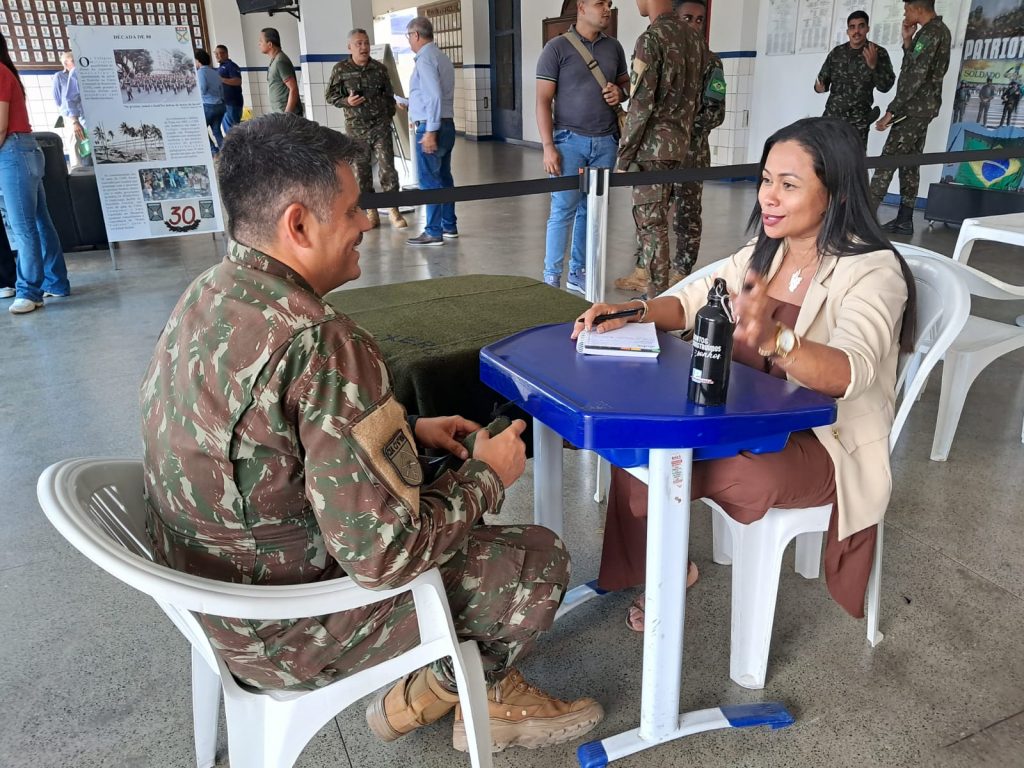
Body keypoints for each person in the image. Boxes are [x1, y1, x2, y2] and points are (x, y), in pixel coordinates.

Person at [140, 112, 603, 754]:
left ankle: (445, 688)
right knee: (537, 560)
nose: (366, 223)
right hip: (287, 628)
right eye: (354, 208)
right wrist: (487, 477)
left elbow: (272, 445)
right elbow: (386, 557)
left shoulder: (209, 295)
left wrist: (404, 430)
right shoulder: (321, 342)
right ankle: (461, 693)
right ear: (298, 224)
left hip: (210, 601)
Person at [574, 117, 915, 631]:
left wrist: (774, 338)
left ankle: (663, 563)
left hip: (825, 441)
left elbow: (852, 371)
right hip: (749, 418)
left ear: (837, 195)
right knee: (644, 441)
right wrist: (629, 312)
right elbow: (690, 300)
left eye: (789, 184)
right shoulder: (765, 253)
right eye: (766, 180)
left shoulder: (871, 271)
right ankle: (661, 569)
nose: (769, 197)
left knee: (697, 469)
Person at [612, 0, 718, 298]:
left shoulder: (652, 39)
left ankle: (656, 298)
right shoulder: (696, 41)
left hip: (653, 150)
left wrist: (624, 155)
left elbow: (640, 105)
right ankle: (666, 291)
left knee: (652, 225)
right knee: (665, 221)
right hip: (683, 147)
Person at [535, 0, 628, 293]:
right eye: (600, 3)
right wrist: (548, 146)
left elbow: (626, 86)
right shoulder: (556, 49)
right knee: (562, 209)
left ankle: (578, 272)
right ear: (582, 6)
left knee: (592, 212)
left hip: (606, 142)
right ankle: (551, 277)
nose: (606, 9)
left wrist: (619, 92)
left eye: (610, 4)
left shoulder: (614, 48)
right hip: (568, 142)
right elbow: (542, 101)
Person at [0, 33, 70, 315]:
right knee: (40, 221)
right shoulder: (6, 72)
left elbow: (0, 127)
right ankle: (57, 282)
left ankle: (29, 291)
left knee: (24, 225)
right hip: (22, 150)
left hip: (13, 151)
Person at [868, 0, 951, 236]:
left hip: (912, 110)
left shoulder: (931, 33)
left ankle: (863, 220)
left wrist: (891, 111)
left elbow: (914, 76)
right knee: (910, 165)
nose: (905, 13)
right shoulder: (932, 32)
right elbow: (915, 64)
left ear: (917, 8)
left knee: (887, 161)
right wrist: (907, 41)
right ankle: (905, 219)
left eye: (906, 8)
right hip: (921, 109)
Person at [325, 28, 407, 230]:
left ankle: (393, 210)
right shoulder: (340, 70)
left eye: (366, 43)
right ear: (350, 47)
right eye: (359, 43)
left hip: (380, 127)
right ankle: (371, 212)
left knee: (388, 168)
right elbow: (330, 96)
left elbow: (389, 96)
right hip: (356, 130)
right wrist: (347, 101)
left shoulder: (379, 69)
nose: (364, 47)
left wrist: (387, 117)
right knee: (361, 173)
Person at [670, 0, 726, 282]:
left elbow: (716, 114)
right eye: (687, 18)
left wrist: (683, 129)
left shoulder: (711, 62)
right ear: (675, 20)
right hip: (662, 152)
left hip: (692, 151)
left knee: (688, 213)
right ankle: (646, 268)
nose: (694, 24)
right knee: (653, 210)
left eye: (699, 20)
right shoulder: (665, 56)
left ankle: (681, 271)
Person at [405, 17, 457, 246]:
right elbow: (432, 95)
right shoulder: (441, 56)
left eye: (408, 36)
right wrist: (409, 103)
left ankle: (433, 231)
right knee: (444, 177)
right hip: (446, 124)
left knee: (429, 181)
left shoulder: (425, 59)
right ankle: (449, 225)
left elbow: (434, 96)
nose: (409, 41)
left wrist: (430, 131)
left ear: (416, 35)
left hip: (431, 126)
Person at [814, 10, 895, 148]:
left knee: (854, 164)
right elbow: (820, 83)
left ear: (867, 28)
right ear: (847, 31)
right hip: (832, 118)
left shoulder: (877, 52)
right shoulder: (837, 53)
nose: (856, 31)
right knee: (827, 161)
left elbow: (885, 87)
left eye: (861, 26)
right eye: (852, 27)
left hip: (858, 122)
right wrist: (819, 88)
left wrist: (874, 66)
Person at [52, 51, 91, 168]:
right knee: (74, 142)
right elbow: (58, 98)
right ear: (65, 63)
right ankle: (78, 170)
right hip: (70, 115)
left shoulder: (82, 74)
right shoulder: (59, 76)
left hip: (84, 113)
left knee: (86, 143)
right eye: (73, 61)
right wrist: (72, 119)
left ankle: (88, 166)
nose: (76, 63)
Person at [260, 27, 302, 115]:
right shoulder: (275, 60)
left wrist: (287, 115)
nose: (259, 44)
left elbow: (293, 88)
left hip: (288, 116)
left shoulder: (280, 61)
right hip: (280, 113)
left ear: (270, 44)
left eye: (261, 41)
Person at [194, 49, 225, 154]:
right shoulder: (214, 72)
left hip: (209, 106)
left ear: (198, 61)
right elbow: (221, 88)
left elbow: (202, 89)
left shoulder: (201, 72)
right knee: (216, 130)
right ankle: (225, 152)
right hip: (220, 105)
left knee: (200, 129)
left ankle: (214, 151)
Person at [214, 44, 244, 133]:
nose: (217, 55)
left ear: (226, 54)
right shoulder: (221, 67)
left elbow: (238, 81)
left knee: (232, 132)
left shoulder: (231, 65)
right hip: (225, 103)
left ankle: (235, 147)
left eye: (220, 53)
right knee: (229, 131)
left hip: (232, 104)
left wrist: (221, 79)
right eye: (216, 53)